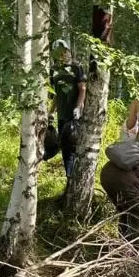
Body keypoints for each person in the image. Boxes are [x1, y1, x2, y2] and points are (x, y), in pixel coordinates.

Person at [49, 39, 85, 175]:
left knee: (74, 147)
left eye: (64, 51)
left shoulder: (77, 67)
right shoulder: (54, 70)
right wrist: (51, 112)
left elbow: (82, 89)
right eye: (59, 52)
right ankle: (69, 177)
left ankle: (74, 176)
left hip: (75, 116)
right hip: (62, 114)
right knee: (64, 148)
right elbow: (56, 94)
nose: (62, 54)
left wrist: (78, 107)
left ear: (68, 50)